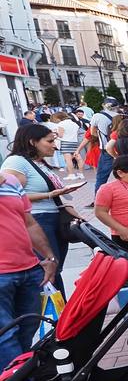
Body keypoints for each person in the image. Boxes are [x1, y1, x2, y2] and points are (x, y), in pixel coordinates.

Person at [1, 124, 81, 292]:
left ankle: (60, 312)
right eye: (50, 141)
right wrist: (50, 195)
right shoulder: (16, 162)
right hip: (38, 219)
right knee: (49, 271)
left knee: (55, 268)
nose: (54, 145)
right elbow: (12, 195)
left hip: (53, 219)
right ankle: (53, 313)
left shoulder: (39, 162)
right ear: (33, 142)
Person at [0, 171, 59, 365]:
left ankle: (16, 380)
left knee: (27, 330)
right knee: (6, 336)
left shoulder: (11, 181)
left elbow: (29, 223)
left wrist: (49, 257)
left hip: (29, 269)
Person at [90, 101, 118, 187]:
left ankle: (98, 199)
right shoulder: (120, 115)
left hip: (106, 149)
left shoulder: (97, 116)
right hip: (120, 148)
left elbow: (92, 132)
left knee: (101, 178)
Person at [49, 112, 83, 180]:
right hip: (74, 142)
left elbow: (61, 135)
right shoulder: (74, 123)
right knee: (78, 158)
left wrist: (55, 133)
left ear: (59, 118)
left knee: (68, 160)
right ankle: (81, 174)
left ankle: (71, 174)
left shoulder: (62, 124)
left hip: (65, 142)